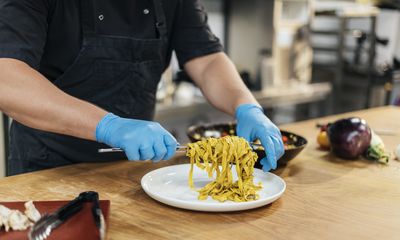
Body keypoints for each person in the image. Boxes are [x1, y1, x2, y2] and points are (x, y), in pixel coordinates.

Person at [0, 0, 284, 176]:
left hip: (132, 170)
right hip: (47, 169)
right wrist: (109, 126)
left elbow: (207, 59)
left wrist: (246, 105)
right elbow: (7, 78)